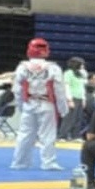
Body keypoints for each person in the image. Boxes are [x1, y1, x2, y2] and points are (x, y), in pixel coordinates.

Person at [9, 38, 66, 171]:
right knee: (48, 134)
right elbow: (59, 90)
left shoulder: (22, 67)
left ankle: (19, 162)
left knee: (25, 134)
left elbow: (17, 89)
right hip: (47, 104)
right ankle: (48, 162)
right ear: (46, 51)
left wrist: (20, 105)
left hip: (29, 103)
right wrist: (62, 108)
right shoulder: (53, 68)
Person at [59, 57, 90, 141]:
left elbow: (82, 87)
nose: (83, 66)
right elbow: (66, 86)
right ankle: (63, 135)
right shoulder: (68, 73)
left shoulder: (81, 74)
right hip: (72, 97)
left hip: (80, 97)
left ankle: (76, 136)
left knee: (78, 118)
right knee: (69, 117)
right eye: (81, 64)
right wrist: (69, 100)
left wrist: (83, 99)